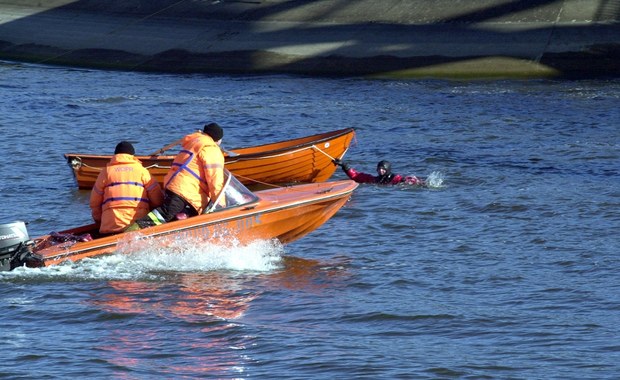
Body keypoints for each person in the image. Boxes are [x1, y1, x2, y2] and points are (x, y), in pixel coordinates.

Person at [129, 122, 226, 230]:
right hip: (185, 190)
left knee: (175, 217)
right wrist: (221, 205)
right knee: (162, 215)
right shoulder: (211, 148)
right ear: (218, 139)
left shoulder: (193, 144)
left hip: (175, 186)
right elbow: (215, 179)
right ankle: (128, 235)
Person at [90, 141, 164, 235]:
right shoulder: (142, 171)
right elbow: (157, 200)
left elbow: (94, 203)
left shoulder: (106, 172)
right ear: (133, 155)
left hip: (110, 226)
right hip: (137, 225)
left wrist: (100, 221)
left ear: (115, 155)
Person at [333, 159, 425, 186]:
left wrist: (420, 183)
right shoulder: (374, 179)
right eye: (379, 169)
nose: (381, 171)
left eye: (383, 169)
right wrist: (345, 166)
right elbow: (356, 176)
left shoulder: (395, 178)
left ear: (388, 170)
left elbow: (407, 179)